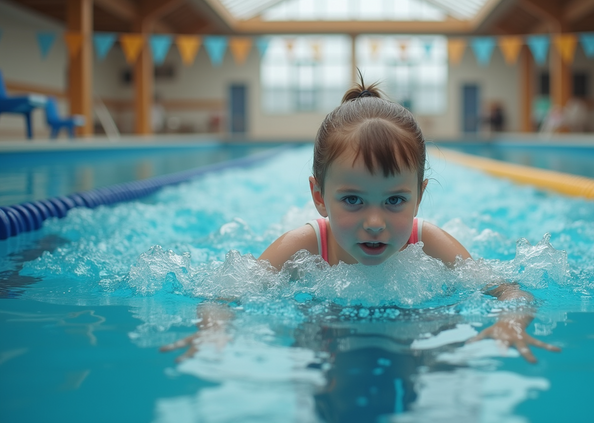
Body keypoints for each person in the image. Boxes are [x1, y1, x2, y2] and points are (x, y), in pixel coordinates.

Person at [161, 77, 560, 364]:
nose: (374, 221)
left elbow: (510, 290)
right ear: (319, 197)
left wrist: (511, 321)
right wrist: (214, 327)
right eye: (352, 199)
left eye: (394, 200)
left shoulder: (431, 243)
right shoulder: (300, 247)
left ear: (419, 196)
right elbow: (223, 296)